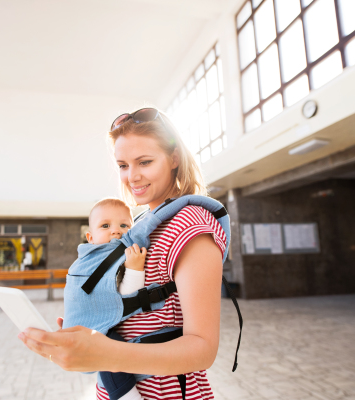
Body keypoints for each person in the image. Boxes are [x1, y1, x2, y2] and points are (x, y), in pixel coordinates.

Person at [18, 107, 225, 400]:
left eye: (145, 162)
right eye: (123, 165)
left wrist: (104, 353)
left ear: (175, 158)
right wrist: (90, 323)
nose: (132, 177)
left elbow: (203, 349)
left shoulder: (191, 225)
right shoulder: (139, 224)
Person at [82, 197, 148, 400]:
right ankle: (126, 395)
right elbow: (125, 297)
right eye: (105, 225)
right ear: (90, 237)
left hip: (104, 327)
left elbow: (126, 299)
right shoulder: (91, 261)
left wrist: (134, 267)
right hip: (95, 325)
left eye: (124, 225)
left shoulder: (125, 255)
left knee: (110, 352)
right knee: (109, 351)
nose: (115, 230)